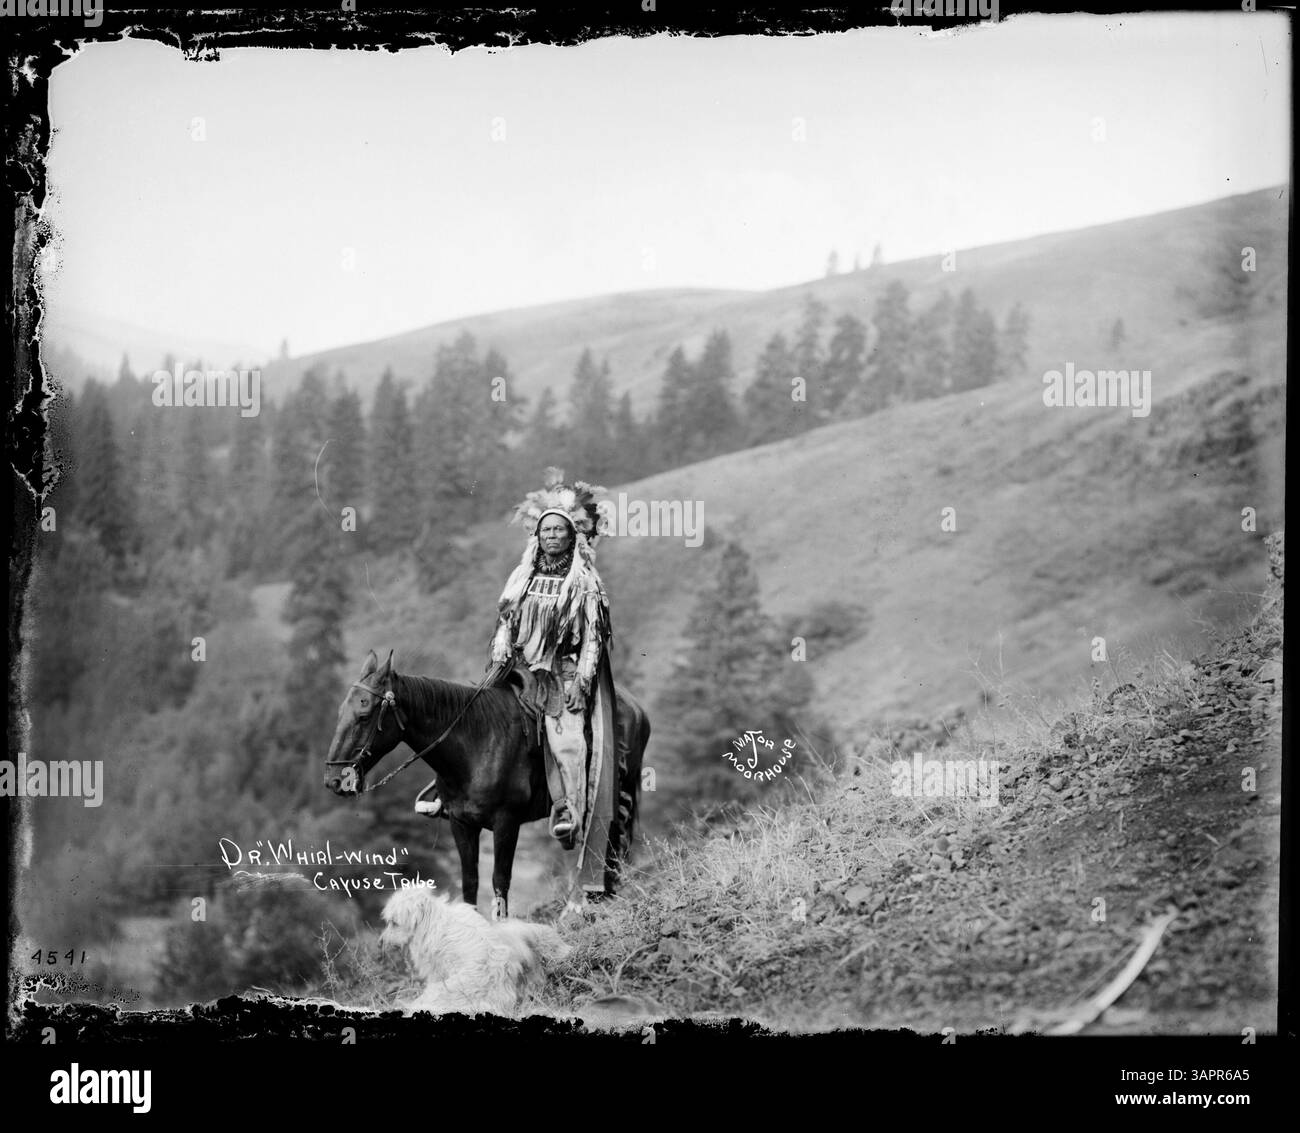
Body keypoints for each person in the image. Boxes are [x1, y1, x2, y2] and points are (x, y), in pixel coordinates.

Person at [414, 472, 615, 875]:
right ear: (537, 535)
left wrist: (582, 682)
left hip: (563, 671)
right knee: (472, 716)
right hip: (517, 668)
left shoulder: (585, 583)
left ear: (573, 536)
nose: (553, 536)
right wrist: (502, 649)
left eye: (560, 530)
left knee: (568, 741)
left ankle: (567, 809)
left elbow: (594, 637)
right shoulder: (522, 576)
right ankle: (446, 792)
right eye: (547, 530)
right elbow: (506, 618)